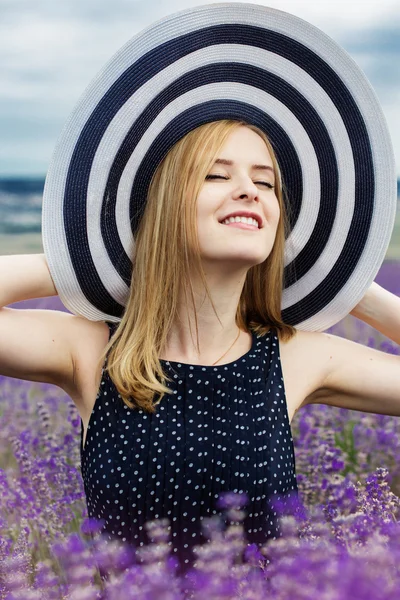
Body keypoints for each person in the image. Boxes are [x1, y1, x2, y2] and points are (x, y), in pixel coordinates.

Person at [1, 1, 398, 578]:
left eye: (266, 182)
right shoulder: (94, 350)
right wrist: (90, 258)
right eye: (216, 175)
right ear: (163, 209)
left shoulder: (295, 357)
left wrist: (349, 282)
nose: (249, 191)